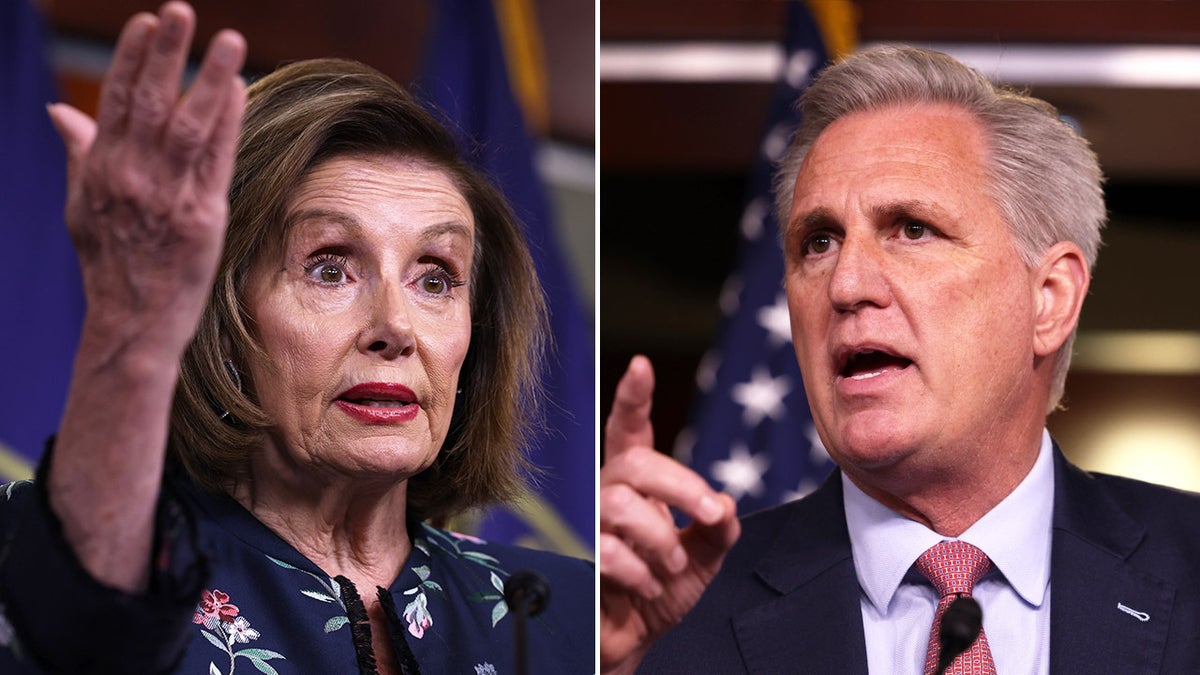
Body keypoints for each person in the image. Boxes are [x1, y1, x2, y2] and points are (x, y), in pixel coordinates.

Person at [0, 3, 593, 673]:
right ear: (224, 318)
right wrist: (132, 330)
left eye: (435, 278)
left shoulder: (568, 615)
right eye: (330, 268)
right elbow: (77, 633)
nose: (395, 327)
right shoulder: (75, 559)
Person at [600, 45, 1200, 674]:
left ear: (1049, 300)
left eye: (912, 228)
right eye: (819, 242)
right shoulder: (655, 623)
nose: (846, 283)